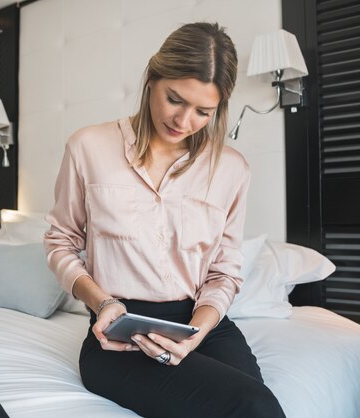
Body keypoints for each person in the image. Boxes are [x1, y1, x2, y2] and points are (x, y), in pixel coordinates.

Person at [43, 22, 285, 418]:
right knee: (251, 405)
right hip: (119, 330)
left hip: (201, 325)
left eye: (203, 112)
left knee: (256, 404)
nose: (184, 121)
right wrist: (102, 302)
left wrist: (198, 334)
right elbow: (61, 241)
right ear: (152, 79)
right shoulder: (88, 146)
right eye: (175, 99)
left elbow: (225, 270)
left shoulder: (232, 169)